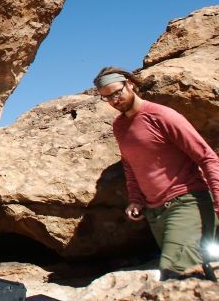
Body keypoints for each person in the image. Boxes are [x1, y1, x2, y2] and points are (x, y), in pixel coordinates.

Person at [93, 66, 219, 280]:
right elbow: (130, 165)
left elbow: (207, 157)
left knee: (175, 274)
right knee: (197, 278)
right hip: (155, 213)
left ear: (129, 84)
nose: (114, 100)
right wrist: (135, 199)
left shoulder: (162, 115)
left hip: (187, 204)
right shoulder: (120, 126)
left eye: (117, 92)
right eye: (107, 98)